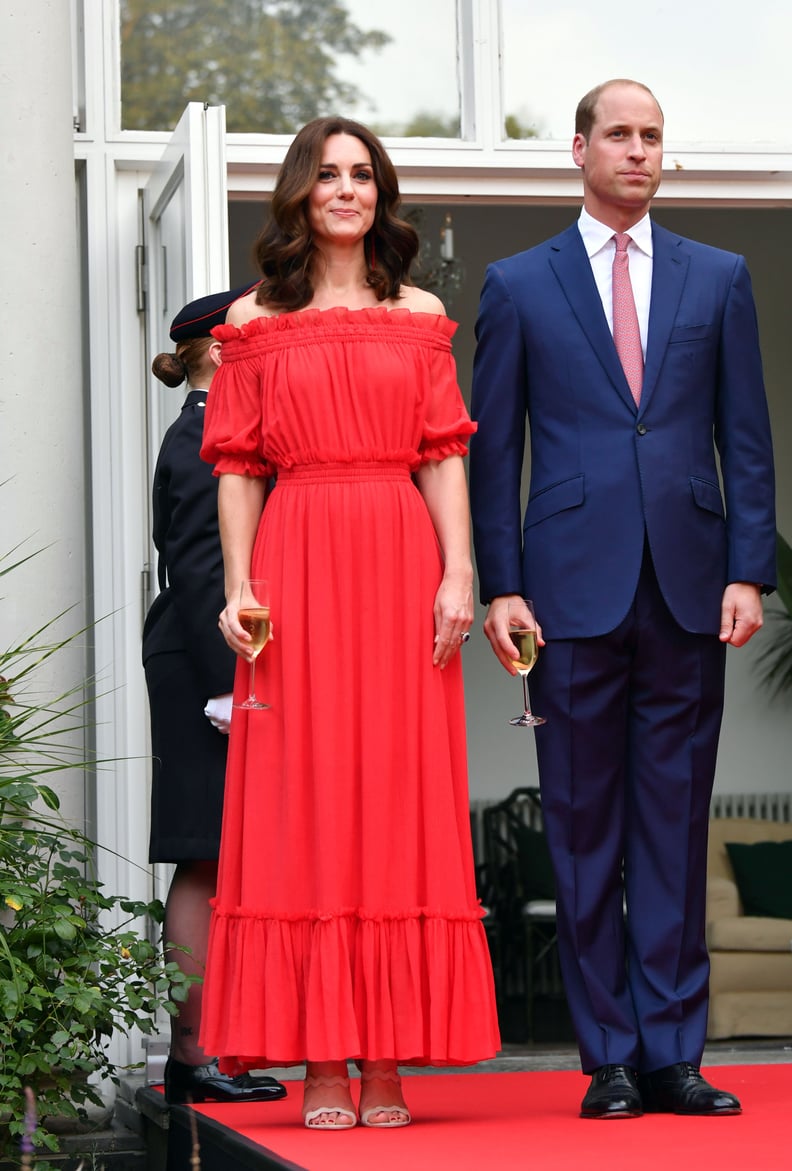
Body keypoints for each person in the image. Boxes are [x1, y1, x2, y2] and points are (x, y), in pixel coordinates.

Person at [470, 79, 776, 1119]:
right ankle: (605, 1054)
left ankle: (672, 1053)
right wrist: (501, 582)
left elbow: (746, 436)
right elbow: (495, 451)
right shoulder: (517, 285)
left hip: (693, 588)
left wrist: (748, 567)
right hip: (565, 595)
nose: (639, 152)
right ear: (578, 149)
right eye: (620, 135)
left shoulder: (720, 276)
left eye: (653, 138)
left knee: (675, 823)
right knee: (583, 824)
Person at [197, 115, 500, 1130]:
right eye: (326, 173)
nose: (345, 189)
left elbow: (444, 452)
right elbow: (236, 465)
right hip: (296, 565)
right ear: (297, 192)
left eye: (362, 174)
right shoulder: (251, 321)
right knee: (307, 800)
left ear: (381, 194)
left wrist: (460, 570)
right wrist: (238, 586)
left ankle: (386, 1064)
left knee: (399, 797)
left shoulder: (419, 315)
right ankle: (324, 1060)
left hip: (399, 560)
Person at [143, 285, 287, 1105]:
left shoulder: (210, 429)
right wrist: (227, 689)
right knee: (206, 853)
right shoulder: (201, 435)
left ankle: (208, 1051)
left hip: (215, 664)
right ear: (225, 352)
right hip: (206, 668)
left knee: (222, 855)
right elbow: (202, 577)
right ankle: (193, 1053)